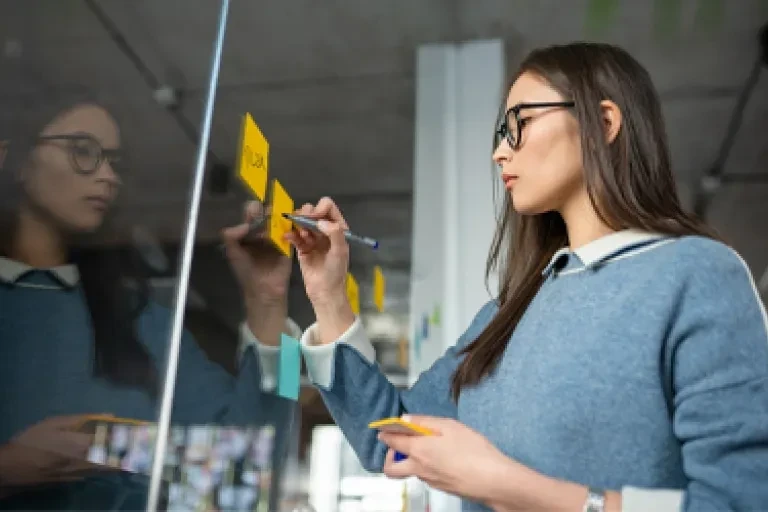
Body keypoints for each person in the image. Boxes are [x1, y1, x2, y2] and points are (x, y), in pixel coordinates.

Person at [284, 42, 768, 512]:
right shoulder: (505, 315)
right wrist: (328, 294)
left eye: (521, 122)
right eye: (500, 131)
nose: (499, 152)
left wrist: (509, 487)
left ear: (603, 122)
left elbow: (740, 502)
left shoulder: (697, 276)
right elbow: (391, 440)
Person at [0, 96, 293, 507]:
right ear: (14, 160)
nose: (108, 177)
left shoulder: (144, 323)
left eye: (114, 162)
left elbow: (254, 464)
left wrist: (271, 304)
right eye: (83, 152)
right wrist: (7, 469)